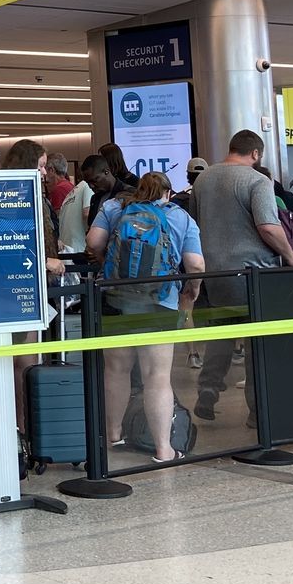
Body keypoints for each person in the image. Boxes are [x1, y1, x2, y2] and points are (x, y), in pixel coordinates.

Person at [187, 131, 293, 422]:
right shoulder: (257, 180)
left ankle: (208, 389)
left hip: (214, 271)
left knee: (222, 332)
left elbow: (195, 223)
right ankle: (257, 411)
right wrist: (291, 255)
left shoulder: (203, 180)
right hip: (253, 272)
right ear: (255, 154)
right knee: (257, 341)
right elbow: (268, 227)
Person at [89, 171, 206, 461]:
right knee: (157, 377)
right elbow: (195, 263)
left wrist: (106, 264)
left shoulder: (115, 207)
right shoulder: (180, 216)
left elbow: (93, 241)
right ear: (168, 193)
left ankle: (114, 435)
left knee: (116, 370)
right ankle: (163, 449)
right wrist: (192, 290)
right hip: (159, 302)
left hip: (115, 298)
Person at [56, 154, 105, 255]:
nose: (92, 185)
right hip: (81, 249)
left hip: (67, 248)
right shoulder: (87, 187)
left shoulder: (74, 191)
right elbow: (87, 213)